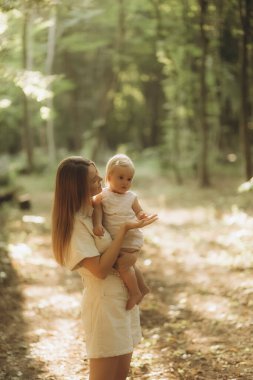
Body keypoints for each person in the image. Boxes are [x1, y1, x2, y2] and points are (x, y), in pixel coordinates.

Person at [51, 156, 157, 380]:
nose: (100, 180)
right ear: (76, 186)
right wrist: (125, 230)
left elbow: (122, 251)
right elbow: (99, 270)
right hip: (103, 306)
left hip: (123, 300)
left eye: (99, 175)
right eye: (93, 179)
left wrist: (133, 249)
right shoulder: (74, 224)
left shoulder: (96, 209)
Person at [92, 154, 150, 311]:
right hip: (115, 239)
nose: (126, 182)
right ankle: (143, 287)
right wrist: (97, 224)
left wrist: (142, 216)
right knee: (128, 262)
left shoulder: (131, 197)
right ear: (109, 177)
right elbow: (97, 210)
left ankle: (135, 292)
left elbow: (139, 211)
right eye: (121, 177)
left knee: (123, 264)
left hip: (130, 237)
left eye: (129, 179)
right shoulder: (103, 195)